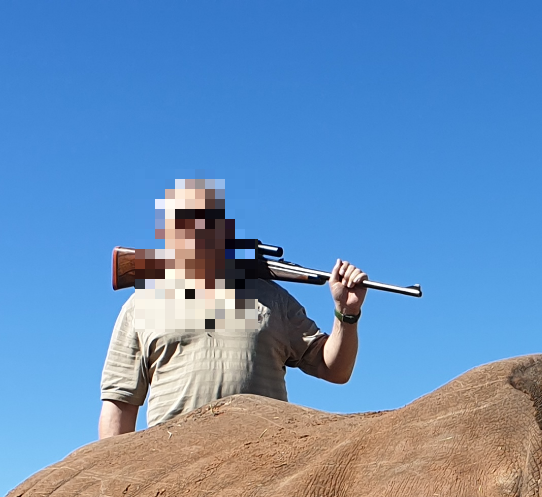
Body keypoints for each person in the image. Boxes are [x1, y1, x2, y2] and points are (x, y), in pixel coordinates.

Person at [98, 179, 371, 439]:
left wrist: (346, 313)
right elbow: (119, 403)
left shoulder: (273, 298)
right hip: (172, 471)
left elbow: (335, 370)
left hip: (263, 465)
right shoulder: (141, 304)